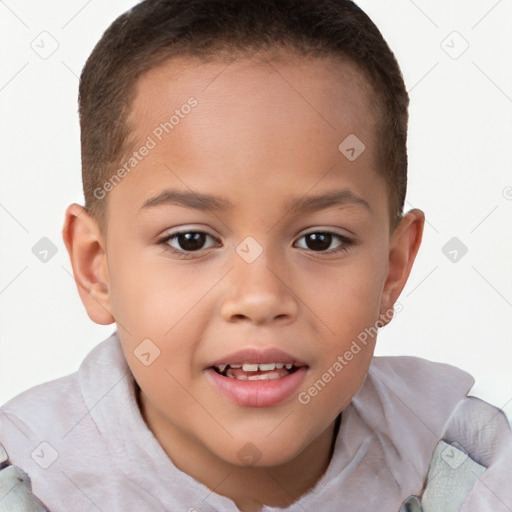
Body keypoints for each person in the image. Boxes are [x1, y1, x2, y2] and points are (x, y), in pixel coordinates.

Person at [1, 1, 510, 511]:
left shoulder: (464, 465)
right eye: (191, 240)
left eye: (320, 240)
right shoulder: (25, 474)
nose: (260, 298)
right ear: (97, 268)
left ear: (392, 270)